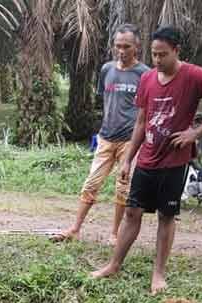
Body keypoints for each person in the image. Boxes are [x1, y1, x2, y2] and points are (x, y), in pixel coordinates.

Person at [91, 26, 202, 293]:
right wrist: (127, 160)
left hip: (174, 162)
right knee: (132, 212)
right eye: (154, 54)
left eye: (163, 55)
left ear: (176, 51)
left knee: (166, 216)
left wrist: (195, 133)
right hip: (147, 158)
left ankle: (158, 274)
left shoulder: (195, 76)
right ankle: (113, 265)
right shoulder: (147, 79)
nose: (157, 61)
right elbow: (141, 123)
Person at [52, 24, 150, 245]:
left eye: (126, 46)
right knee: (91, 184)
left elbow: (147, 111)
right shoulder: (107, 69)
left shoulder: (145, 74)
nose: (121, 51)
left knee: (122, 189)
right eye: (118, 46)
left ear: (137, 47)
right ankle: (75, 229)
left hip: (129, 142)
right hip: (106, 137)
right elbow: (104, 101)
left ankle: (114, 235)